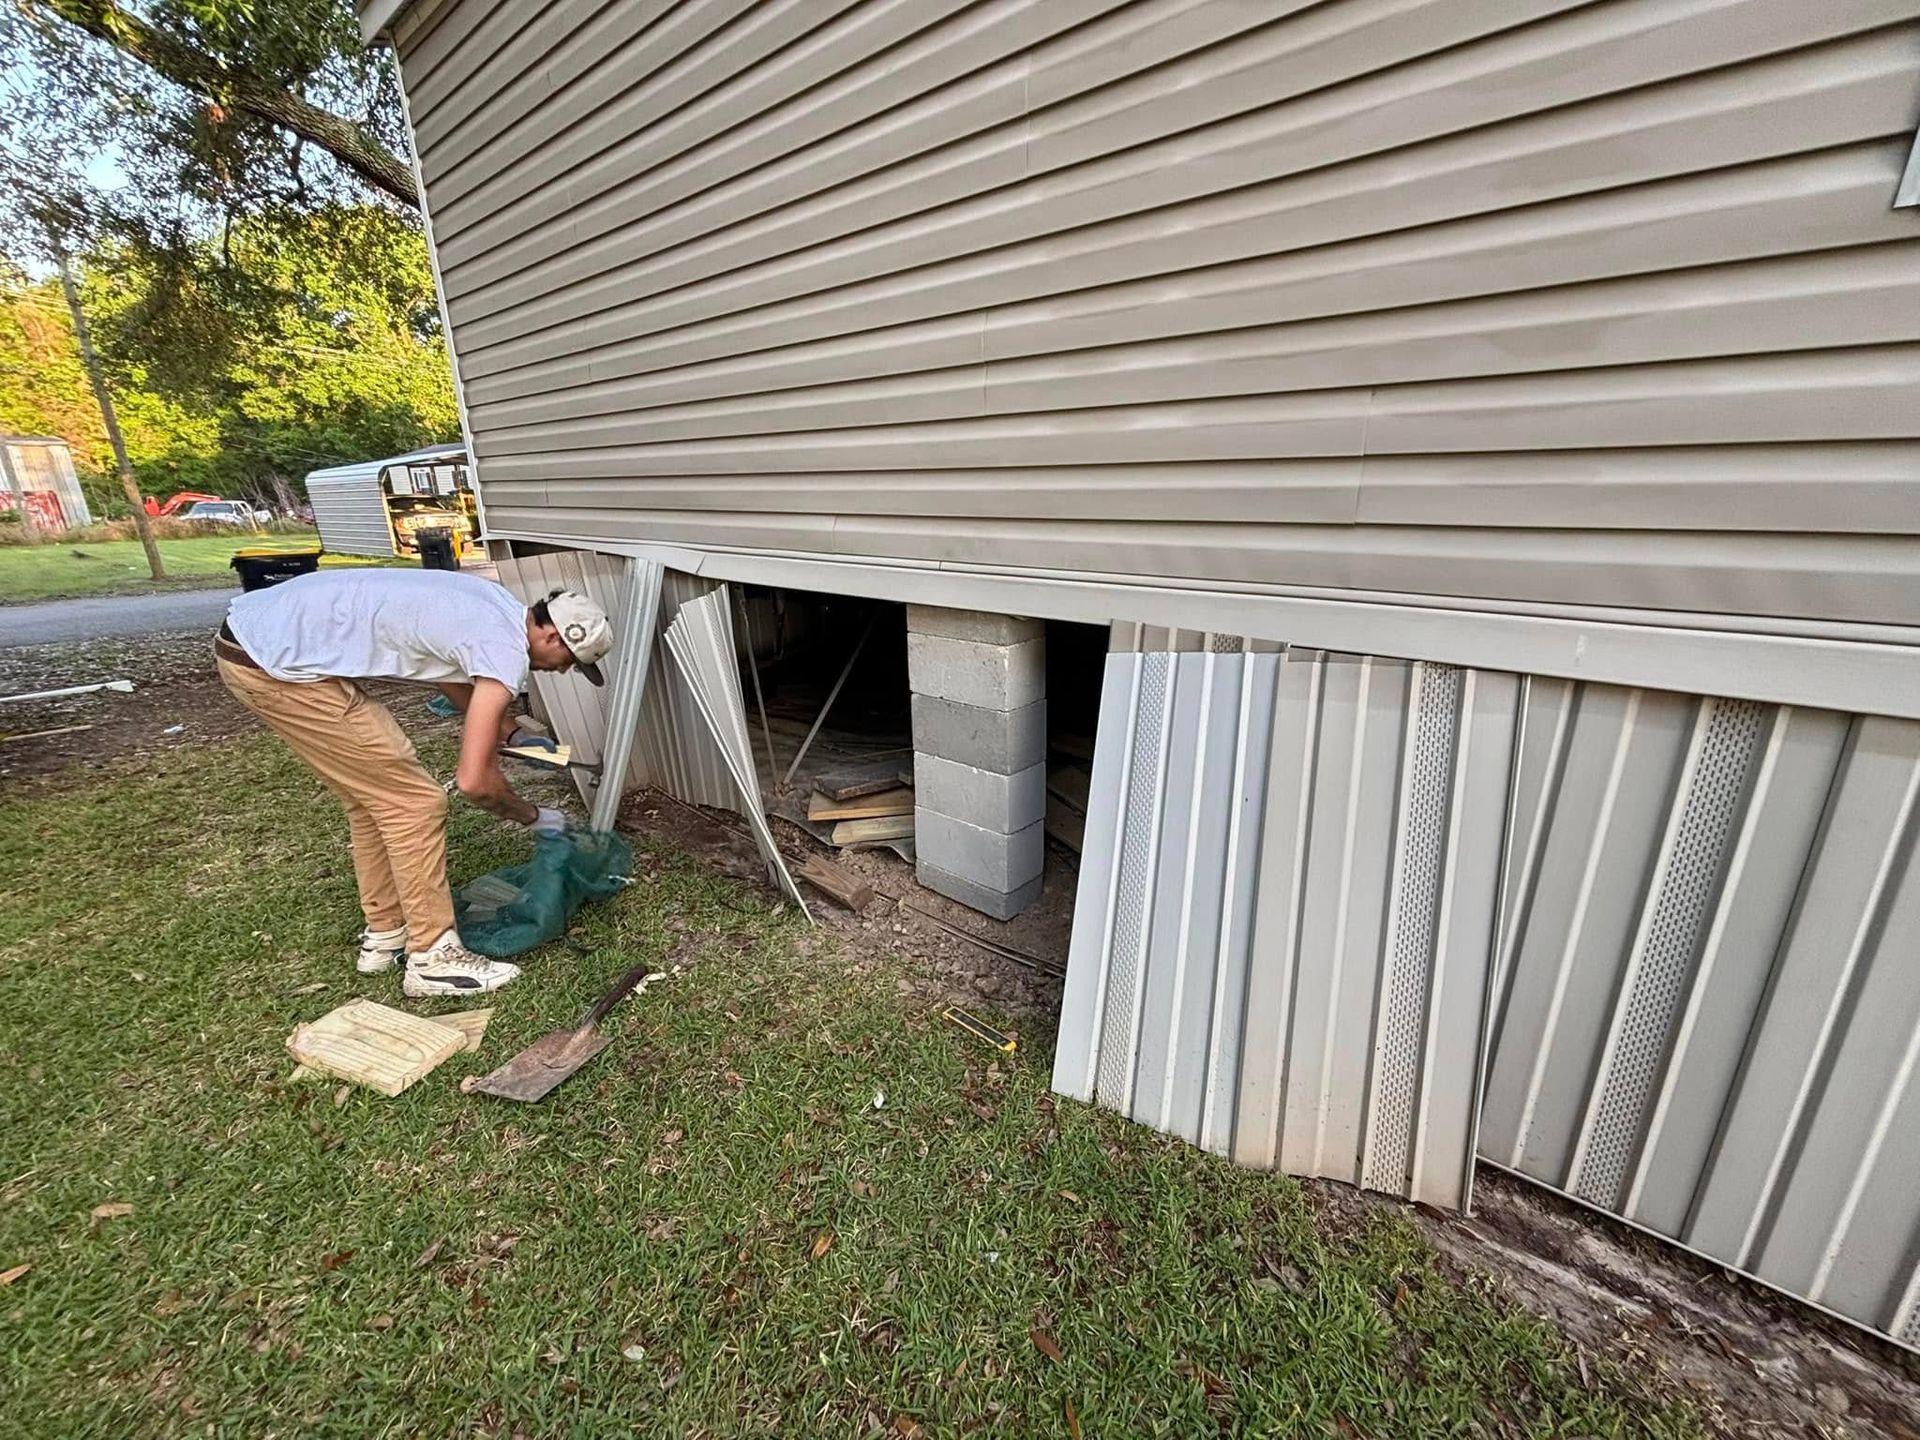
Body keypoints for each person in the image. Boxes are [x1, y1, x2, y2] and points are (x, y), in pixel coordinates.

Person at [213, 568, 613, 997]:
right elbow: (474, 783)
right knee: (415, 803)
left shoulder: (496, 607)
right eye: (570, 663)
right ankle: (433, 958)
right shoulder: (505, 649)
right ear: (554, 638)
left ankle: (386, 933)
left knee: (375, 801)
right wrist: (538, 818)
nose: (562, 672)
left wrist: (510, 732)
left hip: (251, 641)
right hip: (275, 667)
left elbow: (446, 668)